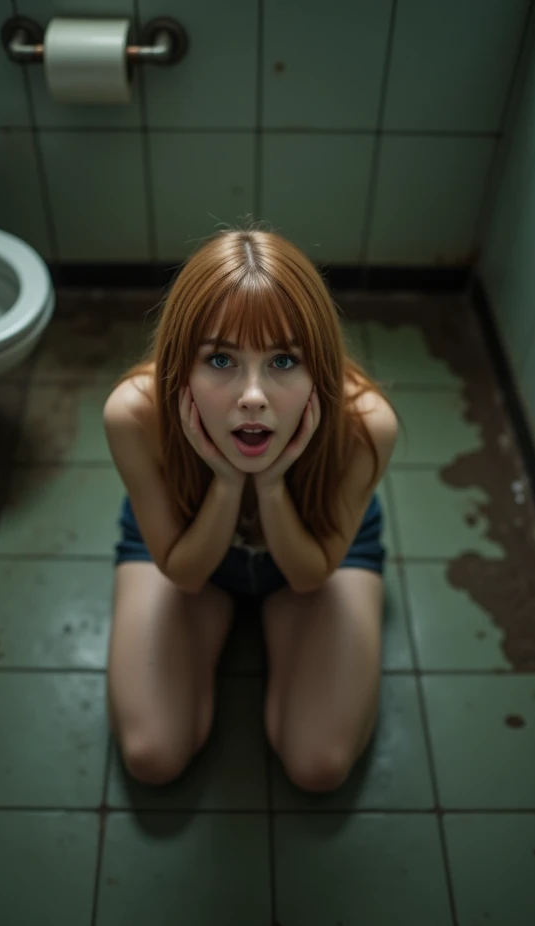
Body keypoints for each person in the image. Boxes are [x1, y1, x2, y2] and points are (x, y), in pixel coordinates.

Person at [103, 228, 398, 794]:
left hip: (318, 549)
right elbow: (184, 574)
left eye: (285, 359)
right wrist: (224, 480)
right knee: (152, 756)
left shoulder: (364, 425)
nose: (254, 396)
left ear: (321, 367)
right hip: (182, 542)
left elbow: (311, 575)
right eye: (220, 359)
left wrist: (270, 485)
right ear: (180, 365)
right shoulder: (135, 414)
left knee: (319, 767)